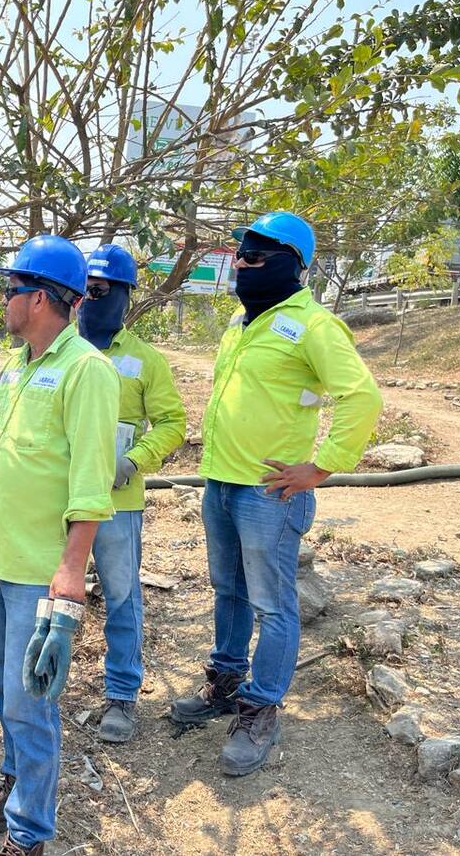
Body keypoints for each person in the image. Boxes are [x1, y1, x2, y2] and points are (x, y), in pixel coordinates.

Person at [169, 211, 382, 776]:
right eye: (240, 253)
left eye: (256, 256)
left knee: (272, 604)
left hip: (269, 495)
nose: (242, 262)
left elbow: (361, 398)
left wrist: (323, 467)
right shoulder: (240, 324)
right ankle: (225, 683)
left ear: (293, 264)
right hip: (219, 483)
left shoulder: (313, 325)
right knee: (227, 591)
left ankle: (261, 708)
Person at [0, 235, 120, 856]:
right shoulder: (19, 364)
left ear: (43, 299)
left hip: (38, 570)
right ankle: (16, 783)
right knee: (3, 687)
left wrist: (72, 568)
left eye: (11, 289)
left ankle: (29, 834)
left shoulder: (87, 372)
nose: (3, 300)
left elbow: (90, 481)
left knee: (30, 701)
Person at [76, 243, 186, 743]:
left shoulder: (144, 361)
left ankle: (121, 695)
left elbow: (172, 423)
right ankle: (42, 686)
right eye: (83, 290)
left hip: (117, 504)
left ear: (124, 296)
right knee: (43, 592)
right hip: (55, 500)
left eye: (99, 291)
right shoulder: (51, 351)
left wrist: (134, 460)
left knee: (121, 597)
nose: (89, 299)